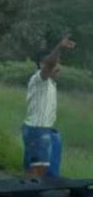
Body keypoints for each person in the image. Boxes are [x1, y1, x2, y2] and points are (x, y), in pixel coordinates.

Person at [22, 34, 77, 178]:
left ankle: (28, 188)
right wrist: (60, 47)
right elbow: (50, 64)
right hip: (37, 130)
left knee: (35, 169)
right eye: (56, 64)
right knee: (38, 171)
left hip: (41, 129)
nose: (58, 67)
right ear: (43, 64)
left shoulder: (51, 83)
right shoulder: (39, 79)